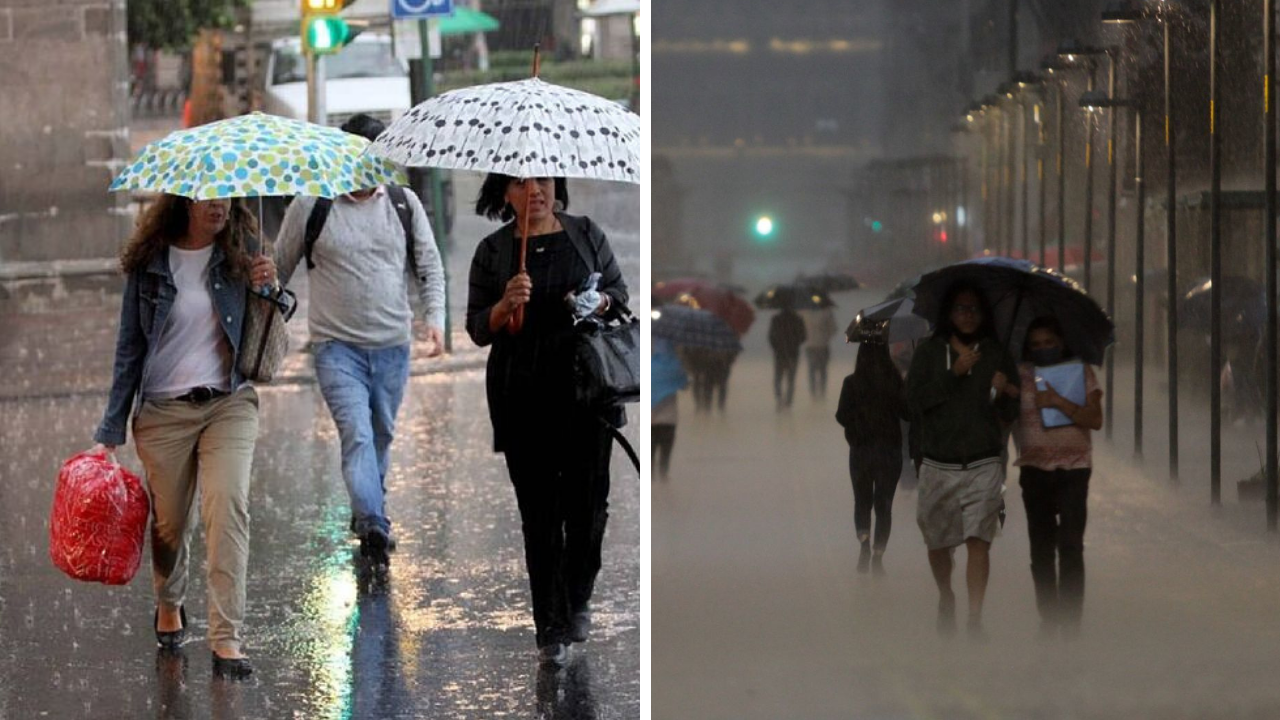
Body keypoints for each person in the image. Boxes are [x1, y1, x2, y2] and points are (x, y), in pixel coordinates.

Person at [91, 194, 278, 679]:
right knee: (170, 525)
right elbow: (129, 348)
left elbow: (266, 335)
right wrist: (110, 431)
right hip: (163, 413)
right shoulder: (151, 261)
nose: (219, 207)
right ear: (184, 203)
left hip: (228, 403)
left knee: (227, 507)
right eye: (207, 200)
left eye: (226, 198)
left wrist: (267, 289)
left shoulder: (242, 251)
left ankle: (226, 639)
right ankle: (169, 599)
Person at [466, 174, 628, 667]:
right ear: (504, 194)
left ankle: (577, 597)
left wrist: (598, 301)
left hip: (586, 392)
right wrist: (504, 306)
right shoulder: (494, 252)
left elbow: (618, 296)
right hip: (523, 397)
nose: (536, 189)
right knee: (539, 517)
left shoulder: (586, 234)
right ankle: (550, 628)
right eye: (521, 183)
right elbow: (476, 328)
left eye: (545, 180)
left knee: (587, 512)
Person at [275, 113, 446, 568]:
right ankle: (372, 520)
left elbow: (429, 264)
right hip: (336, 348)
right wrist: (259, 305)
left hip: (392, 344)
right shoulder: (312, 206)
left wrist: (436, 320)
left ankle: (370, 508)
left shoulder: (403, 203)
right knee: (357, 435)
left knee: (382, 435)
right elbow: (279, 268)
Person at [906, 284, 1020, 639]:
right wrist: (953, 372)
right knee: (937, 542)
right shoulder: (928, 352)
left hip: (984, 462)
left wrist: (1005, 393)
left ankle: (974, 618)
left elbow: (1008, 413)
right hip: (939, 463)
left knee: (978, 540)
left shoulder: (996, 354)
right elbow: (913, 402)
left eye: (973, 309)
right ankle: (946, 595)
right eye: (960, 308)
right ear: (948, 314)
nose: (967, 315)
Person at [1011, 316, 1103, 640]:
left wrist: (1058, 402)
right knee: (1041, 549)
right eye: (1036, 344)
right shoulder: (1019, 375)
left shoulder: (1080, 372)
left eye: (1049, 342)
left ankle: (1071, 621)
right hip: (1034, 470)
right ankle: (1049, 617)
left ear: (1061, 342)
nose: (1043, 349)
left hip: (1074, 468)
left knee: (1071, 546)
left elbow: (1095, 419)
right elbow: (1003, 415)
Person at [836, 337, 907, 576]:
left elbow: (841, 416)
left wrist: (859, 422)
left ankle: (864, 542)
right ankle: (878, 555)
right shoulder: (894, 381)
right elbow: (907, 412)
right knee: (884, 505)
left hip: (861, 450)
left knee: (862, 501)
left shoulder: (852, 382)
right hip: (889, 450)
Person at [769, 303, 806, 410]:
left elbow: (771, 336)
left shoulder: (776, 319)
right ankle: (788, 402)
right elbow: (803, 337)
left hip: (779, 354)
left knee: (778, 379)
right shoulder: (798, 319)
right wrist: (795, 343)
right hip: (793, 353)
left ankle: (779, 399)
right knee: (791, 379)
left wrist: (776, 347)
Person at [801, 305, 838, 399]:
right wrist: (826, 336)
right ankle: (822, 393)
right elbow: (833, 329)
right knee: (823, 371)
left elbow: (800, 328)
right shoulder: (827, 312)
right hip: (823, 345)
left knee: (811, 371)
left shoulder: (805, 312)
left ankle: (813, 394)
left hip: (810, 345)